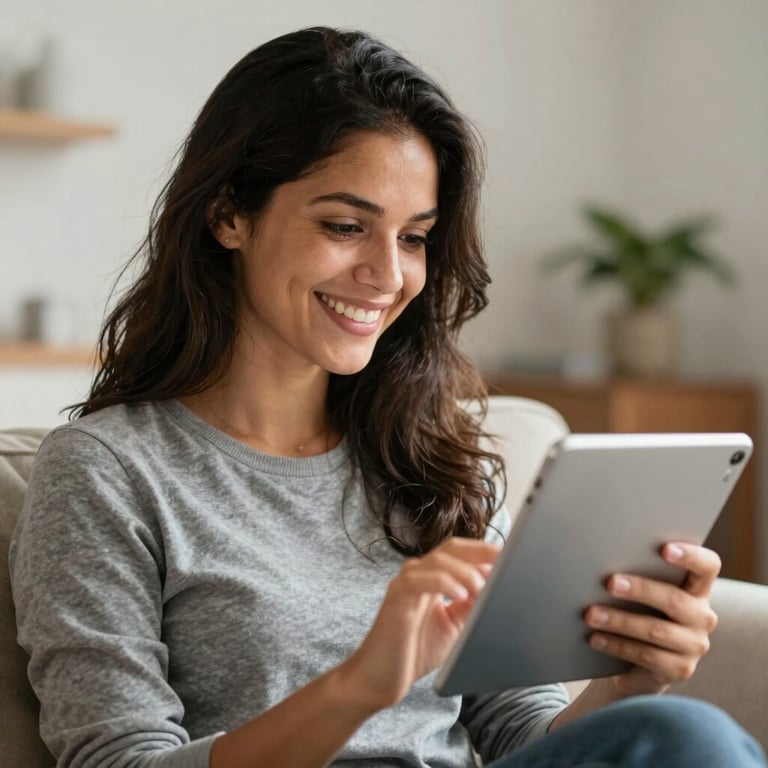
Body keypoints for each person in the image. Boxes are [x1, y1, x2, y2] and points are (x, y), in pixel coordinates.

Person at [9, 26, 766, 768]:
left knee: (677, 734)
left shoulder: (432, 455)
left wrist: (632, 686)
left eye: (414, 237)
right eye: (345, 225)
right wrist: (358, 687)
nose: (387, 273)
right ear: (229, 214)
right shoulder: (108, 472)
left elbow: (519, 733)